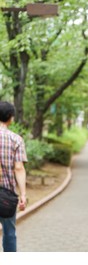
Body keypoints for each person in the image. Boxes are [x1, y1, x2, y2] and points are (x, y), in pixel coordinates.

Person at [0, 101, 28, 252]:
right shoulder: (16, 139)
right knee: (9, 233)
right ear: (10, 118)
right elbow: (19, 167)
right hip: (7, 195)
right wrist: (23, 194)